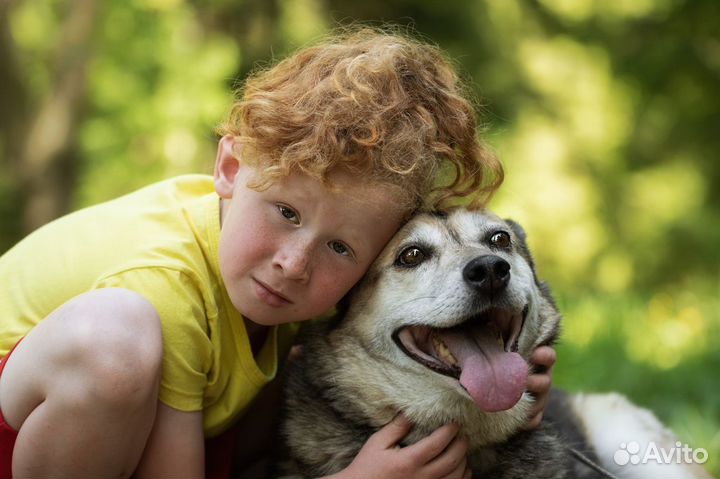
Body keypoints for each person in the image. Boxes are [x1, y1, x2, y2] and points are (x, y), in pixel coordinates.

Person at [0, 27, 555, 478]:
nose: (294, 262)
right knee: (115, 334)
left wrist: (491, 370)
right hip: (22, 426)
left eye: (341, 247)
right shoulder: (164, 281)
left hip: (144, 436)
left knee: (290, 372)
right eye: (286, 213)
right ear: (230, 169)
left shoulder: (279, 287)